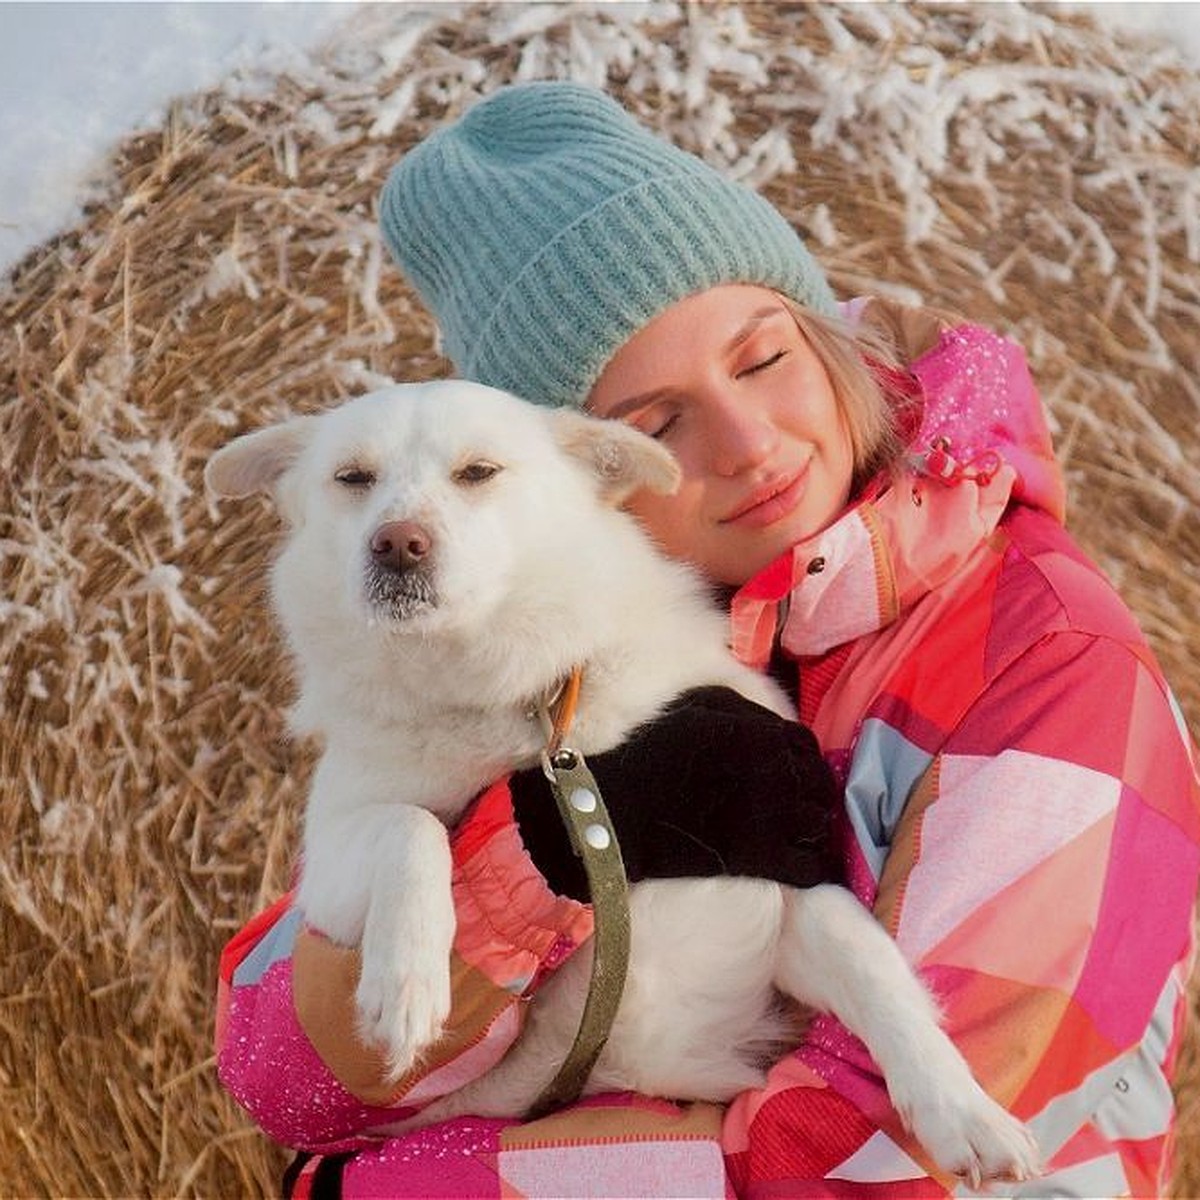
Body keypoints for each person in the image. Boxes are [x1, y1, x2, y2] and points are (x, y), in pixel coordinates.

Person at [215, 81, 1200, 1198]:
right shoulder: (574, 660)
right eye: (657, 422)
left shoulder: (1052, 663)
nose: (742, 444)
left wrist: (395, 1187)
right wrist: (535, 857)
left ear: (826, 337)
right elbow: (274, 1073)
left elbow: (888, 1162)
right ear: (582, 484)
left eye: (763, 358)